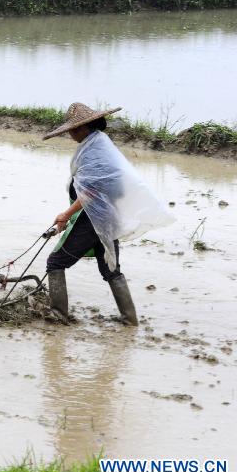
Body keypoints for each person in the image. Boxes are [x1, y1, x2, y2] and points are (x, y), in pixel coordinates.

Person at [42, 103, 174, 326]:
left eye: (74, 130)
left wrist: (65, 214)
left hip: (94, 221)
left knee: (55, 262)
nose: (71, 134)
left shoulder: (94, 151)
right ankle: (130, 319)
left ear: (86, 127)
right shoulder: (101, 146)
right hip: (109, 218)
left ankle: (58, 314)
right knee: (110, 269)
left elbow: (90, 192)